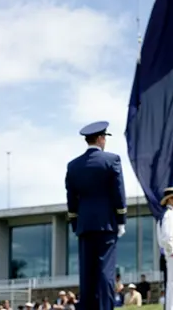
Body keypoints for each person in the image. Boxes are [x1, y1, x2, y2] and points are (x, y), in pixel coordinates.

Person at [65, 121, 127, 310]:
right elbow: (119, 193)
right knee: (105, 273)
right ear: (101, 138)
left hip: (84, 226)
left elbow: (71, 198)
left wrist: (75, 223)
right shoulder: (112, 160)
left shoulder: (73, 165)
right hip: (106, 225)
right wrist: (121, 220)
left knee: (87, 275)